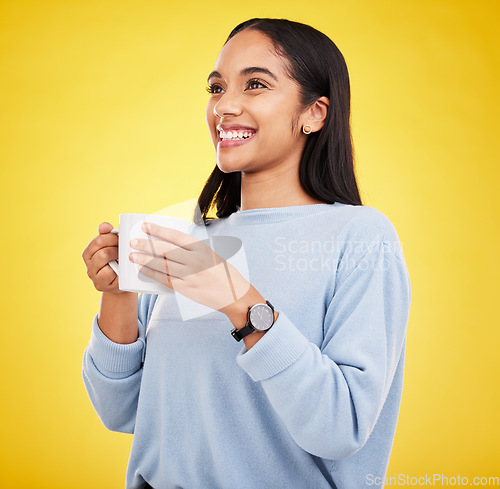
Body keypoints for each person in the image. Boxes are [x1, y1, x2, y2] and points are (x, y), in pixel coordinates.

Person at [81, 18, 411, 489]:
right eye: (216, 88)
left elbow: (343, 426)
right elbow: (121, 411)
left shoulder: (359, 237)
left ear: (314, 113)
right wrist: (118, 296)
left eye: (255, 84)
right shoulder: (186, 236)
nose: (225, 106)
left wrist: (240, 301)